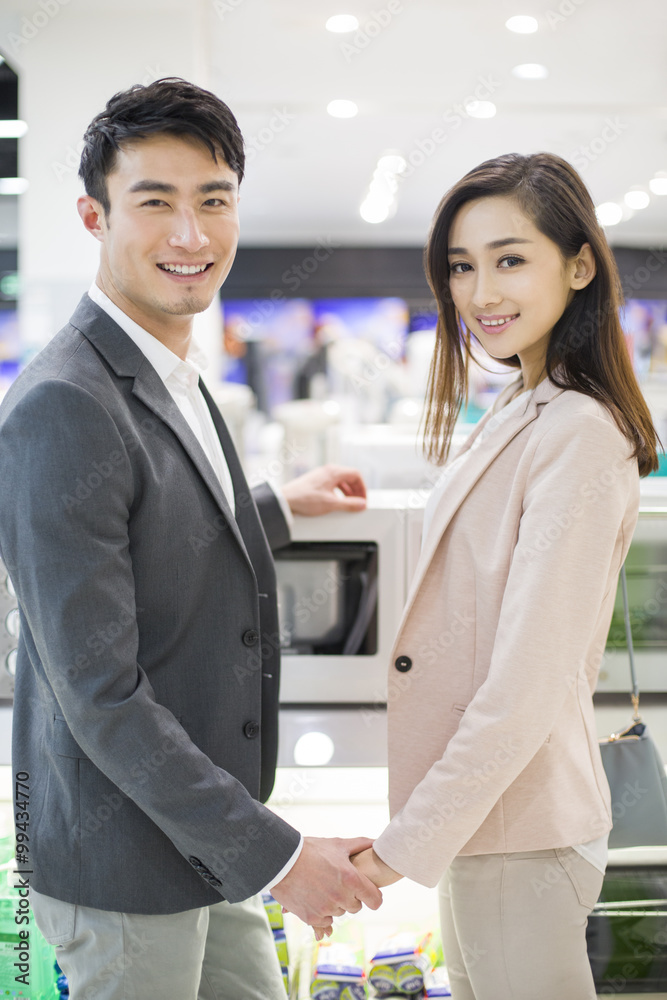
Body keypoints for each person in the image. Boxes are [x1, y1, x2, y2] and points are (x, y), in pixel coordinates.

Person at [0, 78, 383, 1000]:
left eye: (213, 201)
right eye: (155, 202)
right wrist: (281, 856)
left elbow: (154, 523)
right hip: (125, 858)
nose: (190, 235)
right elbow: (101, 694)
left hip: (204, 833)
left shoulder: (169, 365)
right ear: (94, 215)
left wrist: (271, 508)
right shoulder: (61, 403)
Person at [349, 152, 660, 999]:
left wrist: (399, 848)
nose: (481, 291)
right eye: (461, 265)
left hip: (516, 827)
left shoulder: (580, 433)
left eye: (509, 259)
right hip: (490, 827)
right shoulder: (525, 404)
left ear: (579, 264)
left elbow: (525, 681)